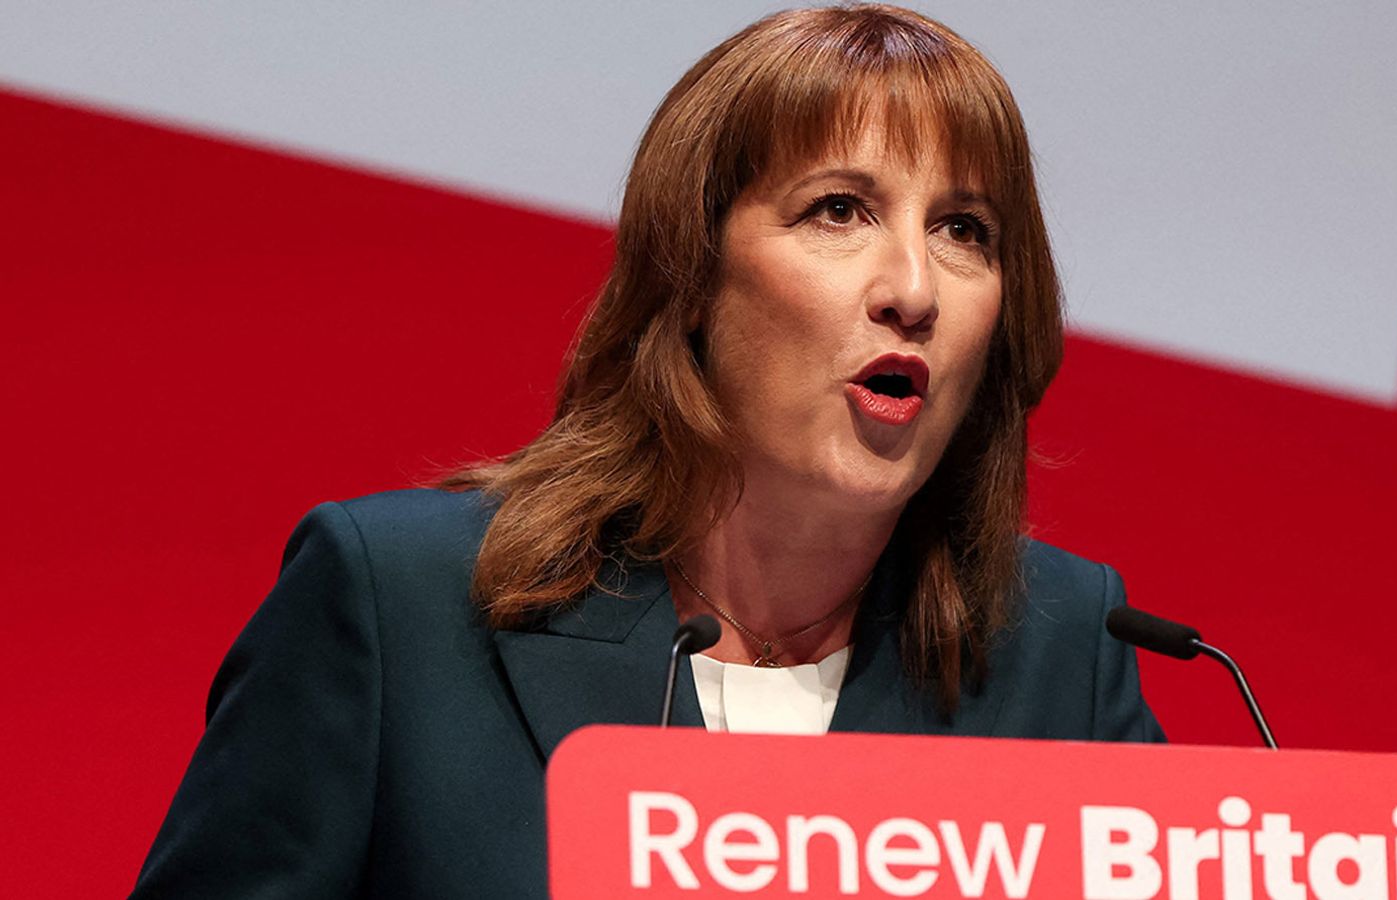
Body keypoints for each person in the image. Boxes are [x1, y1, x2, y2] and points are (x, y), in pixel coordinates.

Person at [132, 5, 1163, 897]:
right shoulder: (399, 605)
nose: (915, 289)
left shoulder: (1062, 652)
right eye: (838, 211)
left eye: (965, 230)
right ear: (694, 274)